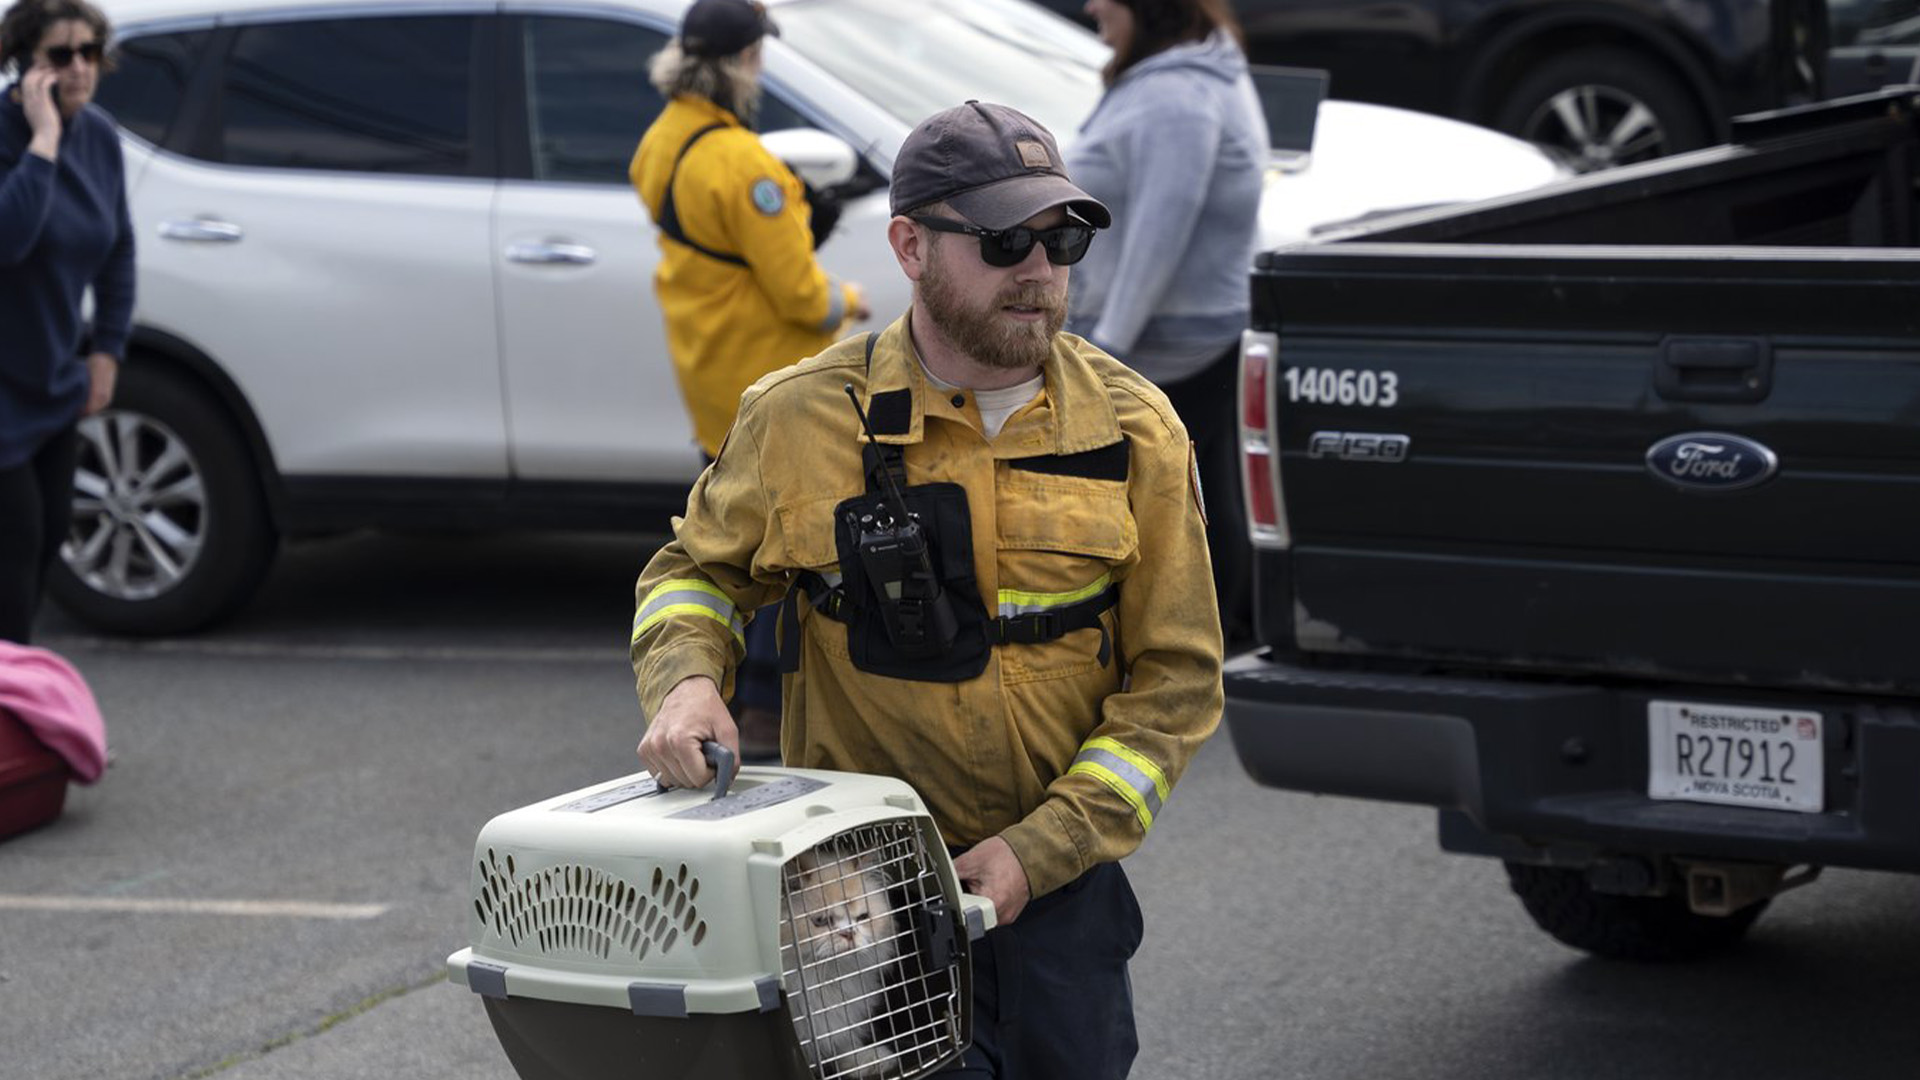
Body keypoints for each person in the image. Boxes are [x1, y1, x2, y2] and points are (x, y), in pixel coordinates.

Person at [630, 100, 1223, 1078]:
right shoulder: (799, 417)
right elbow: (696, 572)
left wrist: (1042, 849)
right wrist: (689, 683)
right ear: (909, 246)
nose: (1039, 269)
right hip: (861, 904)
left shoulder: (1135, 430)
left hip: (1060, 900)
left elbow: (1179, 684)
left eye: (1062, 239)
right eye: (1003, 241)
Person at [629, 0, 868, 760]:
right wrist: (855, 301)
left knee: (724, 536)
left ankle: (725, 688)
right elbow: (803, 296)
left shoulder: (660, 141)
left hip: (707, 370)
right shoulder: (746, 164)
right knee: (784, 544)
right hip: (769, 377)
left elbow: (720, 247)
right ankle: (763, 703)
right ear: (746, 61)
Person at [1064, 0, 1268, 650]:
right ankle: (1209, 640)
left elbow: (1161, 232)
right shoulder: (1194, 73)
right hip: (1190, 332)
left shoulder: (1178, 96)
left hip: (1168, 344)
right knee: (1200, 494)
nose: (1092, 5)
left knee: (1180, 505)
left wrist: (1104, 353)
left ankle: (1196, 649)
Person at [0, 0, 131, 644]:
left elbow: (118, 249)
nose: (80, 67)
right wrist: (43, 140)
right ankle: (14, 726)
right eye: (60, 54)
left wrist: (106, 349)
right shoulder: (7, 135)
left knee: (52, 533)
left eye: (90, 51)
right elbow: (11, 238)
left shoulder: (102, 137)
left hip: (53, 373)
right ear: (26, 64)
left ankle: (18, 713)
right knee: (14, 551)